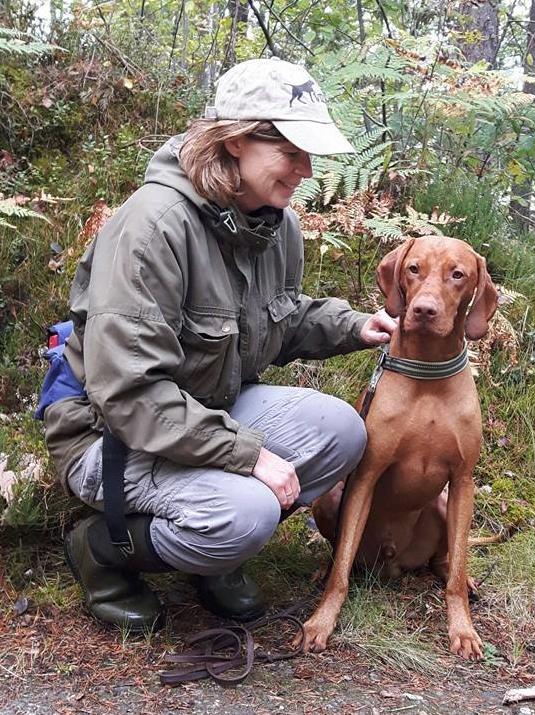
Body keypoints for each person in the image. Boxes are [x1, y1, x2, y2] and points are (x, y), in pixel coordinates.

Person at [42, 57, 396, 632]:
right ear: (234, 142)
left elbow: (276, 321)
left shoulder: (272, 224)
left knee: (342, 432)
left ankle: (212, 552)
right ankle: (104, 549)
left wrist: (356, 325)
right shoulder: (153, 228)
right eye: (292, 151)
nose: (307, 170)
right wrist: (248, 456)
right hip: (108, 435)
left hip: (202, 410)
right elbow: (129, 391)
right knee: (246, 511)